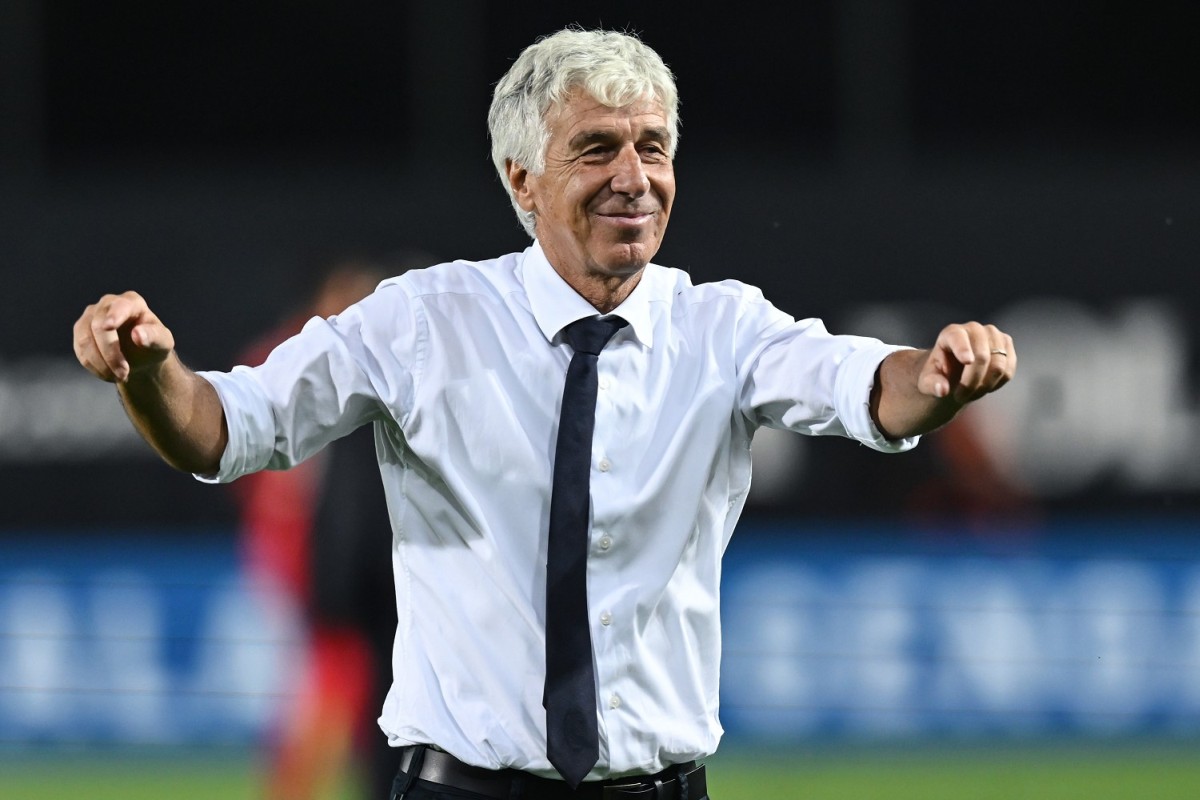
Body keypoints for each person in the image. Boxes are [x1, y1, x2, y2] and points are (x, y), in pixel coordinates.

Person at [72, 27, 1017, 800]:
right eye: (597, 148)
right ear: (521, 180)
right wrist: (149, 371)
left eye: (653, 146)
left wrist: (934, 379)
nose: (634, 175)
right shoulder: (421, 320)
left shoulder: (725, 327)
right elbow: (223, 429)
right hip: (460, 788)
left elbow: (862, 386)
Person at [229, 257, 399, 800]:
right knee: (332, 682)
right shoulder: (284, 362)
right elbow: (261, 482)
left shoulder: (375, 363)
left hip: (341, 564)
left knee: (340, 687)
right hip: (306, 561)